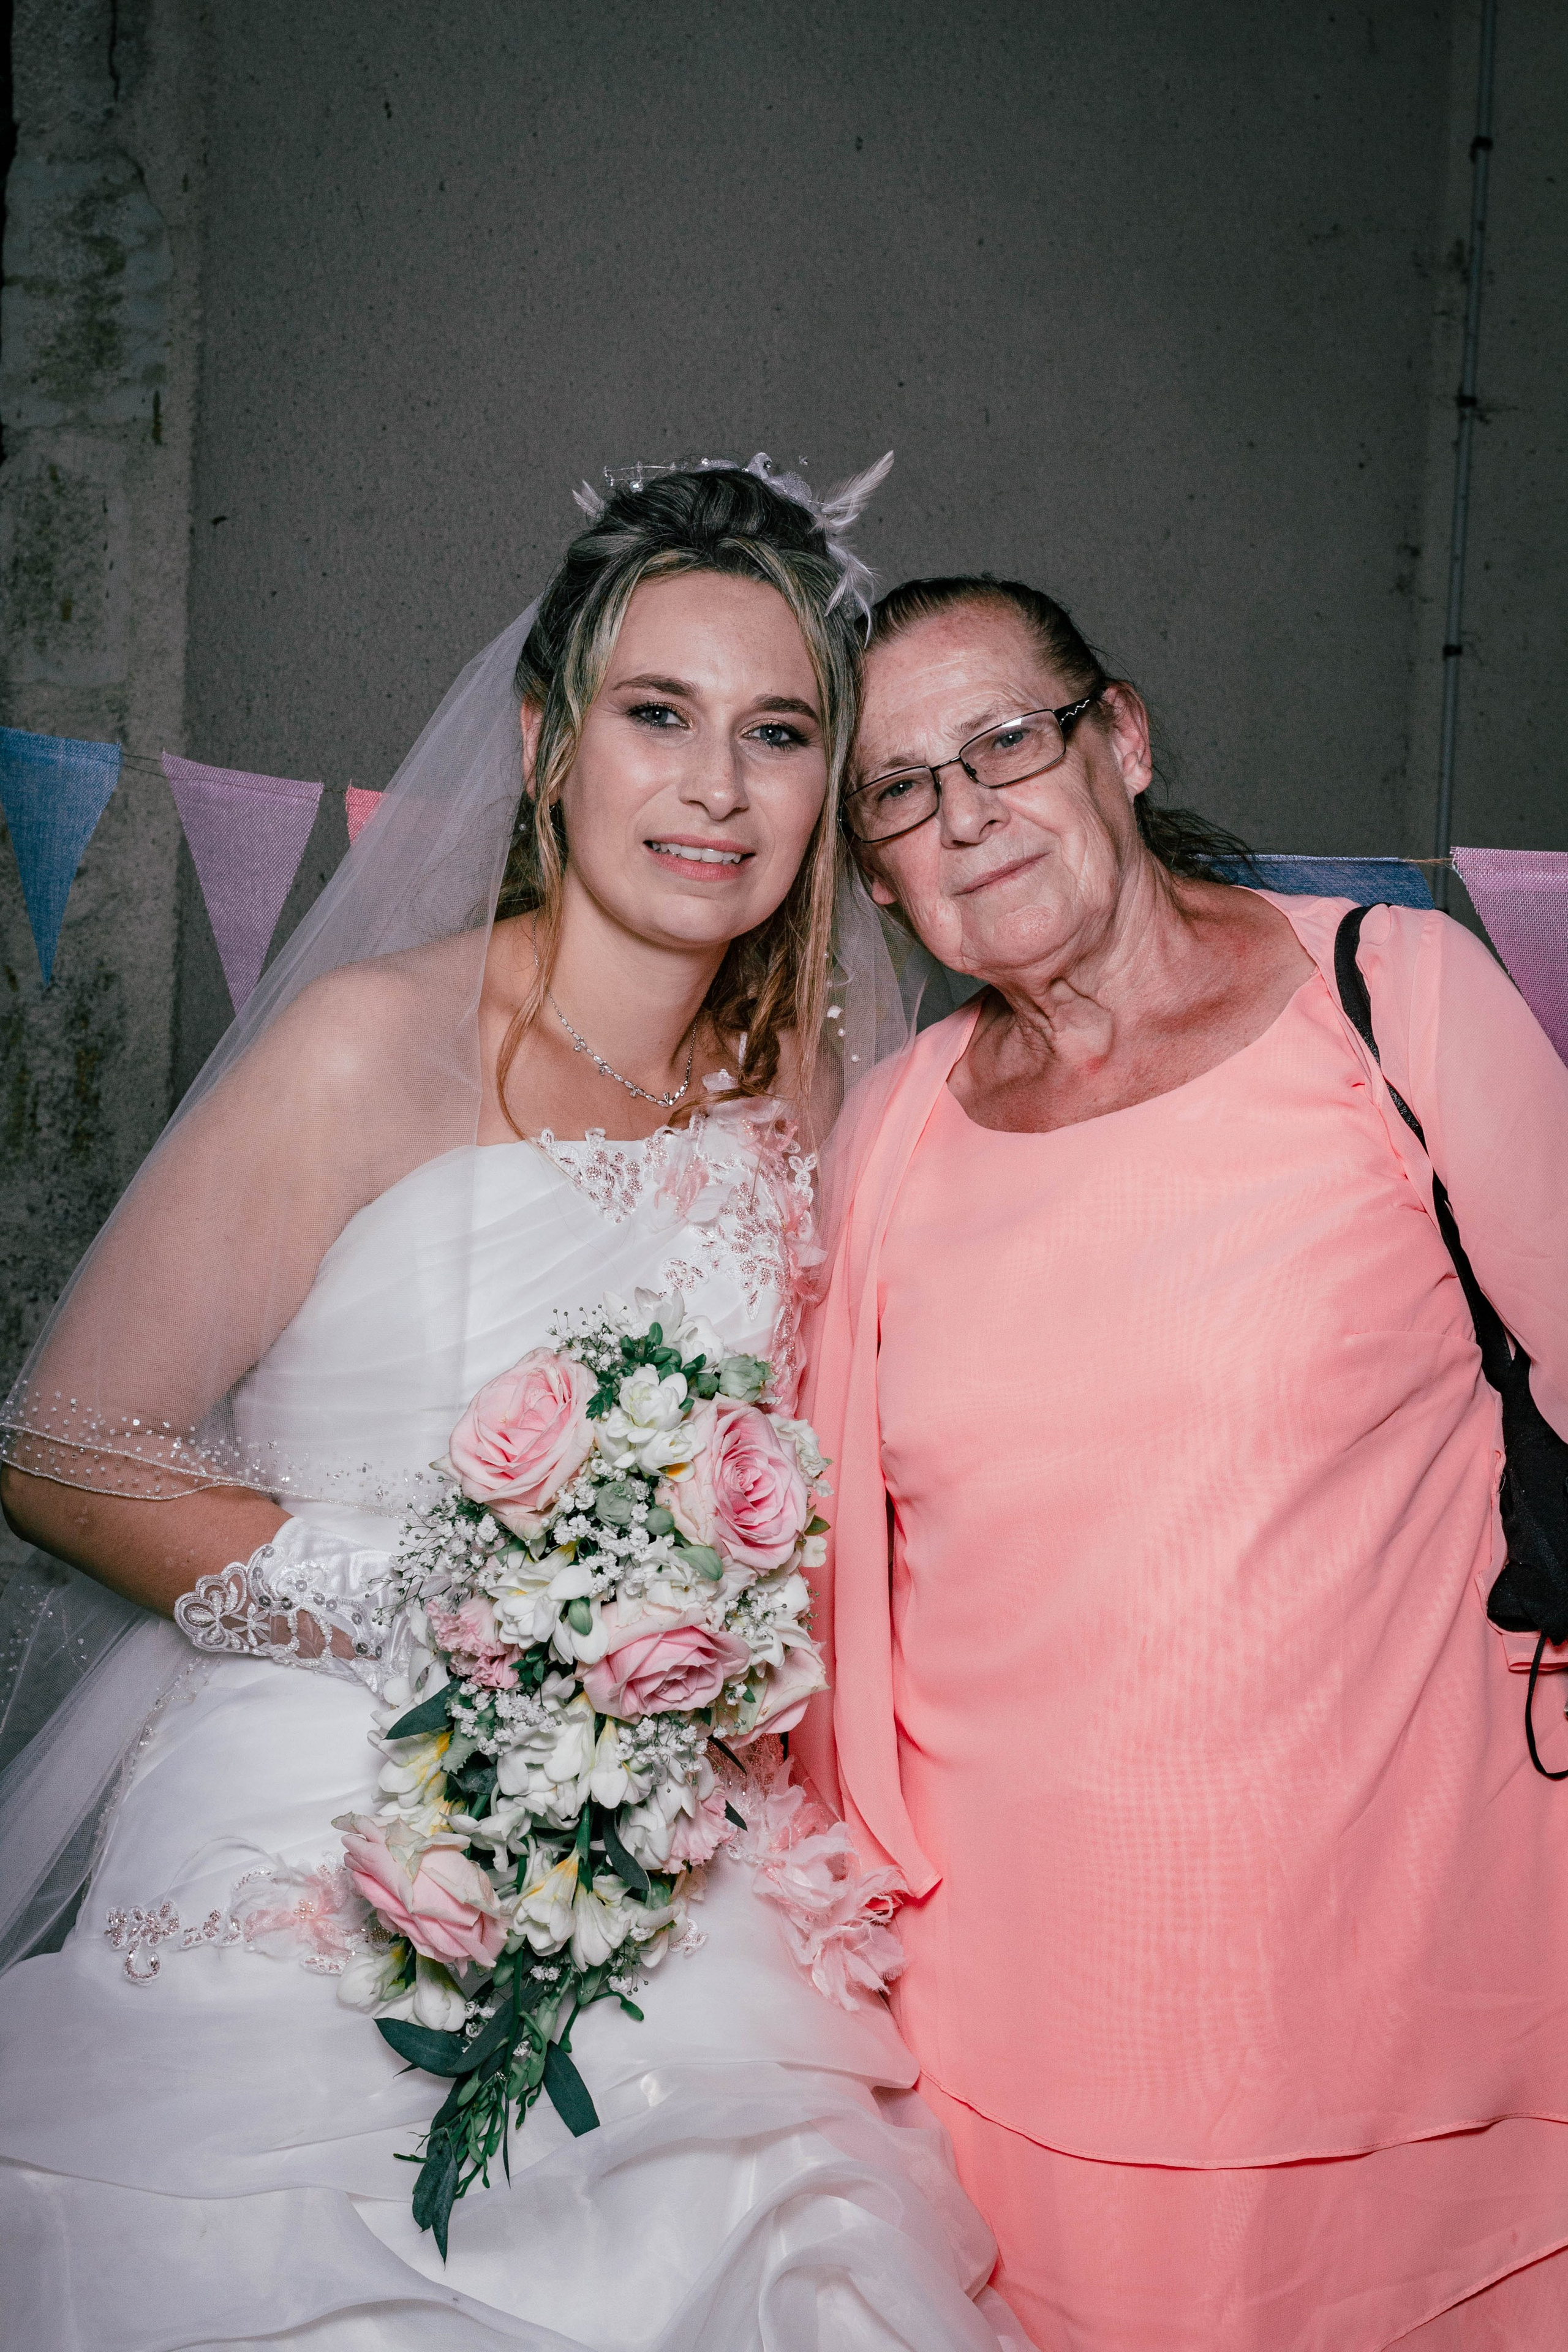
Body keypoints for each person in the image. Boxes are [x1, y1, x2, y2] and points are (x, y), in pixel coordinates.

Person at [0, 474, 1027, 2352]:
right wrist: (461, 1622)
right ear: (550, 740)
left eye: (778, 732)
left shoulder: (820, 1081)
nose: (717, 784)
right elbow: (66, 1451)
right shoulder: (369, 1044)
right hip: (317, 1795)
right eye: (660, 714)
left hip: (673, 1827)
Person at [798, 571, 1568, 2351]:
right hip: (1014, 2067)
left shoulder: (1394, 1005)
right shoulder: (892, 1132)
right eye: (900, 791)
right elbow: (841, 1615)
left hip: (1412, 2039)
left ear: (1120, 739)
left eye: (1006, 740)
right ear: (876, 865)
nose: (965, 813)